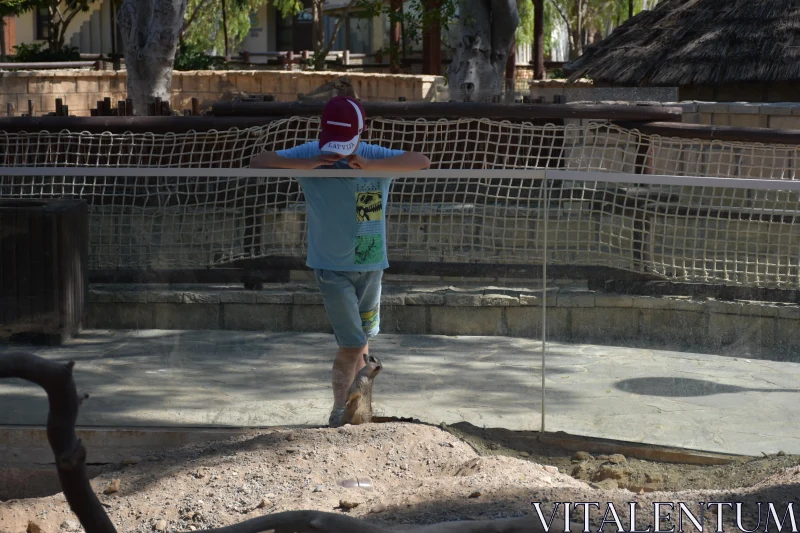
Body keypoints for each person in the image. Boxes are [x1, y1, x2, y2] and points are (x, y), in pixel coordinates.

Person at [249, 95, 430, 427]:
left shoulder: (373, 153)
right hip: (330, 266)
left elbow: (421, 160)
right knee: (353, 344)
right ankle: (338, 415)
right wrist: (306, 165)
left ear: (362, 132)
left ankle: (357, 412)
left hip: (371, 262)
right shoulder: (309, 153)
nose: (338, 152)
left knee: (363, 338)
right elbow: (258, 161)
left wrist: (372, 167)